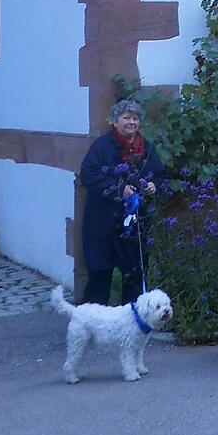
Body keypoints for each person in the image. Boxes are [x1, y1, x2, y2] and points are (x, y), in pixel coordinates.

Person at [78, 99, 167, 306]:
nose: (132, 122)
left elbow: (161, 175)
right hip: (103, 223)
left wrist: (154, 185)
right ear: (115, 121)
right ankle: (91, 325)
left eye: (135, 118)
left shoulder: (147, 148)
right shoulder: (102, 146)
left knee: (134, 276)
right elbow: (88, 174)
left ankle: (130, 325)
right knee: (99, 277)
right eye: (126, 118)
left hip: (134, 225)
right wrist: (119, 190)